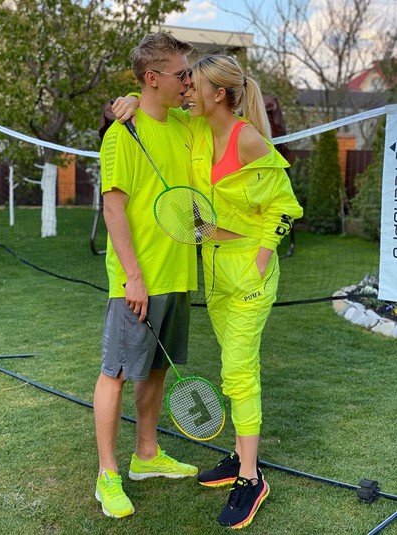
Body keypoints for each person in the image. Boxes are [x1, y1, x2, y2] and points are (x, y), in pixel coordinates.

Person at [114, 53, 303, 529]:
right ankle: (240, 457)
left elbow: (285, 206)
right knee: (230, 370)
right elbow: (153, 107)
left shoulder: (249, 140)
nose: (186, 91)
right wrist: (130, 98)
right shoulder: (194, 128)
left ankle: (251, 478)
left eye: (193, 85)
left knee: (240, 372)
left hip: (249, 275)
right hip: (214, 274)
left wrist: (260, 261)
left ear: (218, 94)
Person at [93, 32, 199, 520]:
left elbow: (226, 99)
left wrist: (136, 97)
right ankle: (107, 475)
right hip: (137, 281)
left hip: (177, 274)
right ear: (152, 78)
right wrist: (133, 276)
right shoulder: (122, 134)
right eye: (181, 74)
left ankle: (147, 455)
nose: (189, 81)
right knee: (115, 373)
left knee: (157, 369)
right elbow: (113, 209)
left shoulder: (182, 124)